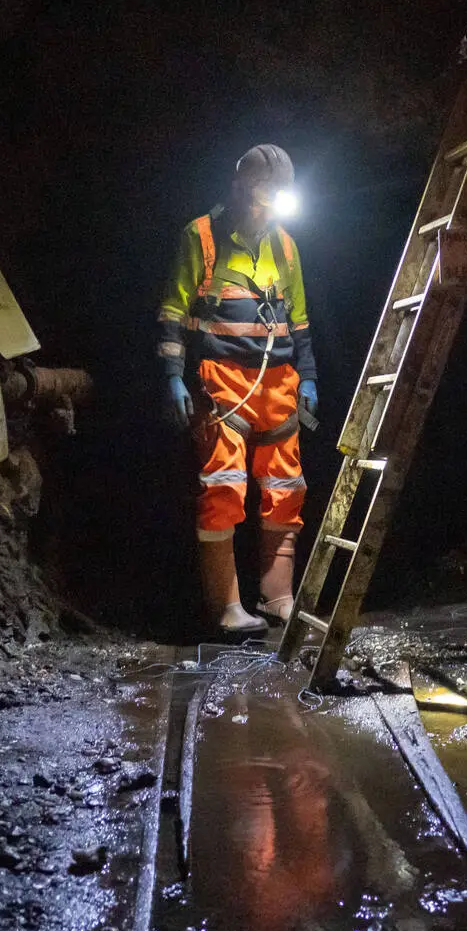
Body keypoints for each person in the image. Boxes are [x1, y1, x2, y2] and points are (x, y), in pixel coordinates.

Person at [156, 144, 319, 636]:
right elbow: (172, 313)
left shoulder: (286, 244)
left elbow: (300, 320)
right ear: (244, 188)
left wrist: (309, 376)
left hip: (279, 382)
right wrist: (172, 376)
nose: (270, 204)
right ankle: (227, 607)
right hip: (222, 380)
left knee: (285, 487)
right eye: (265, 192)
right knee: (223, 487)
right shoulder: (201, 236)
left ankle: (278, 599)